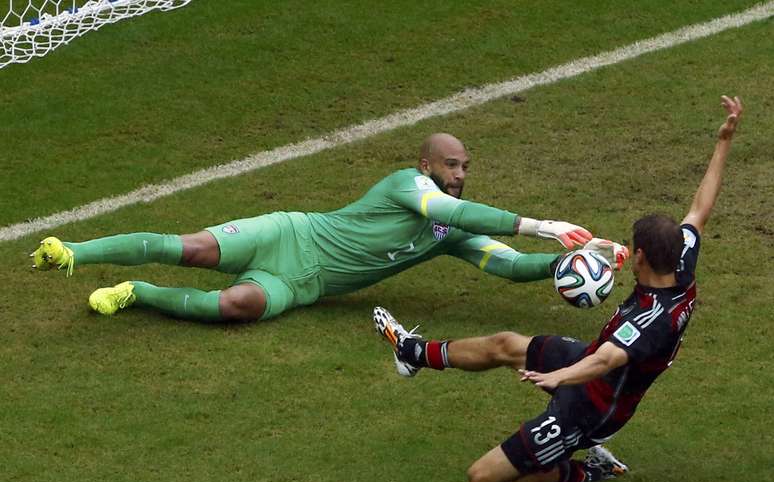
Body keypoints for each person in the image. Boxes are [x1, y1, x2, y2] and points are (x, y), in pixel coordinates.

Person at [373, 96, 742, 482]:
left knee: (482, 479)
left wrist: (558, 377)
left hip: (592, 407)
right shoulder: (681, 263)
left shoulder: (651, 322)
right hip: (588, 364)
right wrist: (723, 141)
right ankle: (411, 353)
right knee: (505, 344)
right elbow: (700, 209)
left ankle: (591, 469)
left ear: (641, 257)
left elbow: (605, 360)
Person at [30, 133, 626, 323]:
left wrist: (569, 262)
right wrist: (543, 224)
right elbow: (449, 212)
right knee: (189, 248)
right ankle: (73, 251)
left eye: (466, 167)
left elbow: (505, 265)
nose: (460, 174)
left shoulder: (455, 235)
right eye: (451, 164)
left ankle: (138, 294)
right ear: (426, 166)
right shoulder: (408, 187)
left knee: (235, 306)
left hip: (308, 284)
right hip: (291, 235)